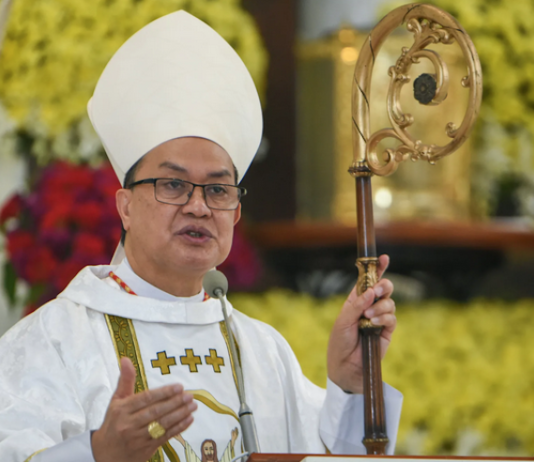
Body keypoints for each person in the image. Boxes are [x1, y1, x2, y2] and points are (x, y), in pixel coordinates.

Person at [0, 11, 402, 462]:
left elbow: (328, 455)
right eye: (173, 184)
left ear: (236, 211)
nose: (198, 206)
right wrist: (98, 454)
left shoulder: (261, 352)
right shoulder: (54, 340)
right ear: (125, 206)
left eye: (217, 189)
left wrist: (349, 383)